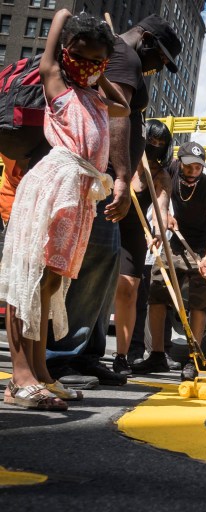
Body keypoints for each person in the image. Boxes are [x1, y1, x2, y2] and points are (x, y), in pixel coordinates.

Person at [0, 10, 129, 410]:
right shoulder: (59, 87)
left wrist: (100, 73)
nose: (88, 66)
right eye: (82, 58)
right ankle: (20, 379)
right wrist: (63, 18)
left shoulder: (94, 95)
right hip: (53, 188)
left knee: (50, 285)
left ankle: (41, 373)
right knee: (30, 281)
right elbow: (48, 61)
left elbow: (124, 105)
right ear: (68, 54)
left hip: (79, 196)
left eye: (98, 61)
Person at [45, 14, 182, 387]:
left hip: (101, 177)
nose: (157, 70)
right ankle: (61, 357)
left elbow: (118, 108)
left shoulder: (121, 55)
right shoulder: (126, 55)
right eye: (161, 62)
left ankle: (86, 354)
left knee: (102, 266)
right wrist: (121, 176)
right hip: (100, 178)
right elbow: (116, 120)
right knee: (85, 267)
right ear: (150, 42)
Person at [138, 141, 206, 381]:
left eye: (198, 167)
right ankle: (156, 354)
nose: (193, 172)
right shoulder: (171, 171)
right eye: (189, 167)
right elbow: (158, 196)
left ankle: (193, 359)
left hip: (200, 247)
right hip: (173, 241)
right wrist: (164, 219)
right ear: (179, 163)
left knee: (198, 302)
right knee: (157, 293)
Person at [111, 118, 173, 376]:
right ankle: (80, 351)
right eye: (151, 142)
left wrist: (158, 229)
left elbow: (161, 204)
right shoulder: (119, 157)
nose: (154, 148)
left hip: (134, 234)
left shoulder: (159, 174)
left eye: (161, 145)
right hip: (107, 224)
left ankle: (121, 355)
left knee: (127, 292)